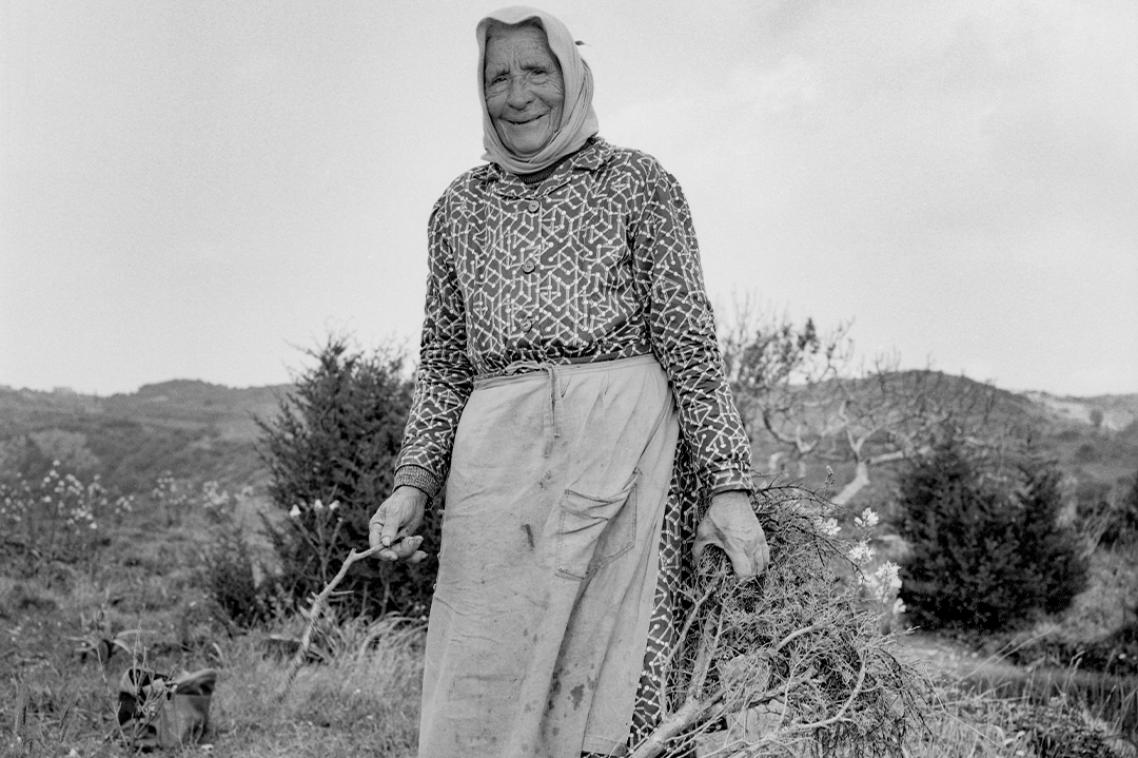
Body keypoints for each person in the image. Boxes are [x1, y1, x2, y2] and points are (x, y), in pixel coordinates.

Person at [368, 7, 768, 757]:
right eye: (498, 77)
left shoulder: (637, 183)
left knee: (606, 690)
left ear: (572, 74)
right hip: (497, 474)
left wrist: (730, 488)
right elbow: (446, 363)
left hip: (621, 460)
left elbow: (688, 341)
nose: (517, 95)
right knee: (484, 680)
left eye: (536, 71)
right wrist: (412, 484)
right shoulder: (458, 208)